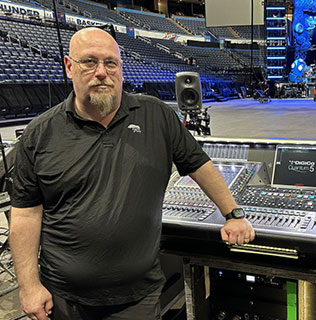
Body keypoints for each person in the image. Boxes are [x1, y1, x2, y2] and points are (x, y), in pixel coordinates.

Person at [9, 27, 255, 320]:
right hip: (64, 298)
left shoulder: (156, 116)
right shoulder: (40, 133)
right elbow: (25, 215)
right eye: (89, 62)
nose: (102, 72)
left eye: (110, 63)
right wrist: (28, 286)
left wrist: (233, 215)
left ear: (121, 69)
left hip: (136, 298)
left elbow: (198, 164)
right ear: (69, 66)